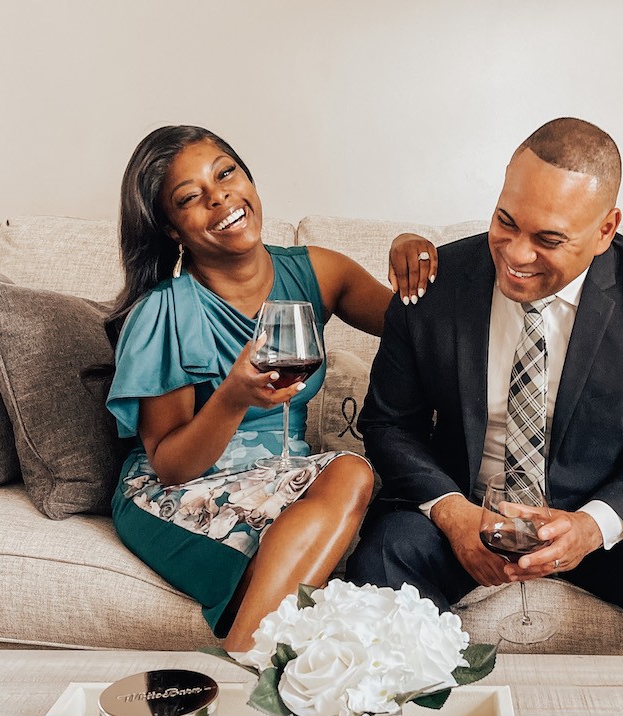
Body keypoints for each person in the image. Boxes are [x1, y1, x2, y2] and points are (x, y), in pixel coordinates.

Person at [346, 117, 623, 656]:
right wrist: (454, 514)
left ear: (606, 229)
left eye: (548, 239)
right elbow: (389, 424)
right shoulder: (434, 281)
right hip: (466, 507)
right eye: (505, 222)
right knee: (380, 560)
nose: (514, 254)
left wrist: (590, 527)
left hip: (591, 510)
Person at [106, 125, 437, 652]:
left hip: (285, 479)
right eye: (190, 198)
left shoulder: (318, 272)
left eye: (226, 173)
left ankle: (241, 669)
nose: (219, 198)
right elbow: (169, 465)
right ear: (172, 229)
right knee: (348, 479)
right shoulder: (163, 313)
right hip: (178, 490)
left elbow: (421, 325)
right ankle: (243, 669)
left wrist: (412, 257)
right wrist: (234, 396)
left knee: (353, 479)